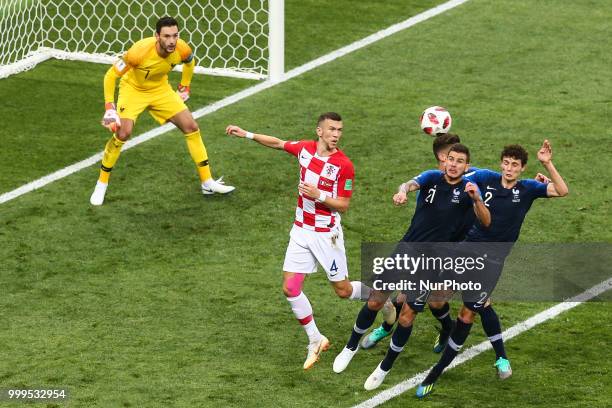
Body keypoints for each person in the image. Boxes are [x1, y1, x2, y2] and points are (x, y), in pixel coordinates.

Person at [416, 140, 569, 398]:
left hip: (492, 263)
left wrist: (547, 164)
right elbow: (458, 172)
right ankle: (460, 338)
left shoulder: (529, 188)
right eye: (506, 163)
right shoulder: (487, 177)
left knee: (468, 314)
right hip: (467, 250)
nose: (509, 169)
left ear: (522, 169)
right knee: (437, 297)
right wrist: (429, 176)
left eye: (515, 165)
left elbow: (562, 190)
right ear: (501, 163)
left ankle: (435, 373)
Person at [333, 144, 491, 390]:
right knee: (375, 299)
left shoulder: (469, 190)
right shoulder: (431, 177)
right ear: (444, 160)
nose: (454, 164)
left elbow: (486, 221)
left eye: (460, 161)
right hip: (406, 250)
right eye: (451, 159)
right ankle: (350, 347)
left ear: (466, 167)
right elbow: (408, 184)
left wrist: (478, 199)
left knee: (407, 314)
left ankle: (384, 368)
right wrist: (402, 192)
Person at [225, 113, 371, 370]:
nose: (336, 134)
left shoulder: (344, 165)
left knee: (343, 291)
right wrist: (246, 134)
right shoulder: (305, 149)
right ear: (319, 131)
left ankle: (380, 295)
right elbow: (278, 143)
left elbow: (344, 206)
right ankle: (315, 339)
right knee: (290, 288)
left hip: (327, 235)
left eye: (339, 130)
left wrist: (320, 195)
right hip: (301, 231)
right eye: (332, 129)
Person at [90, 16, 234, 206]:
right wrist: (110, 108)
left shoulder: (182, 48)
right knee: (123, 133)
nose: (172, 41)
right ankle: (101, 184)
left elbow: (190, 62)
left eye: (175, 35)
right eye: (166, 36)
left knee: (191, 126)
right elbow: (110, 76)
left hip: (160, 90)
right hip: (133, 90)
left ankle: (207, 182)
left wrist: (185, 86)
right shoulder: (138, 52)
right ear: (157, 36)